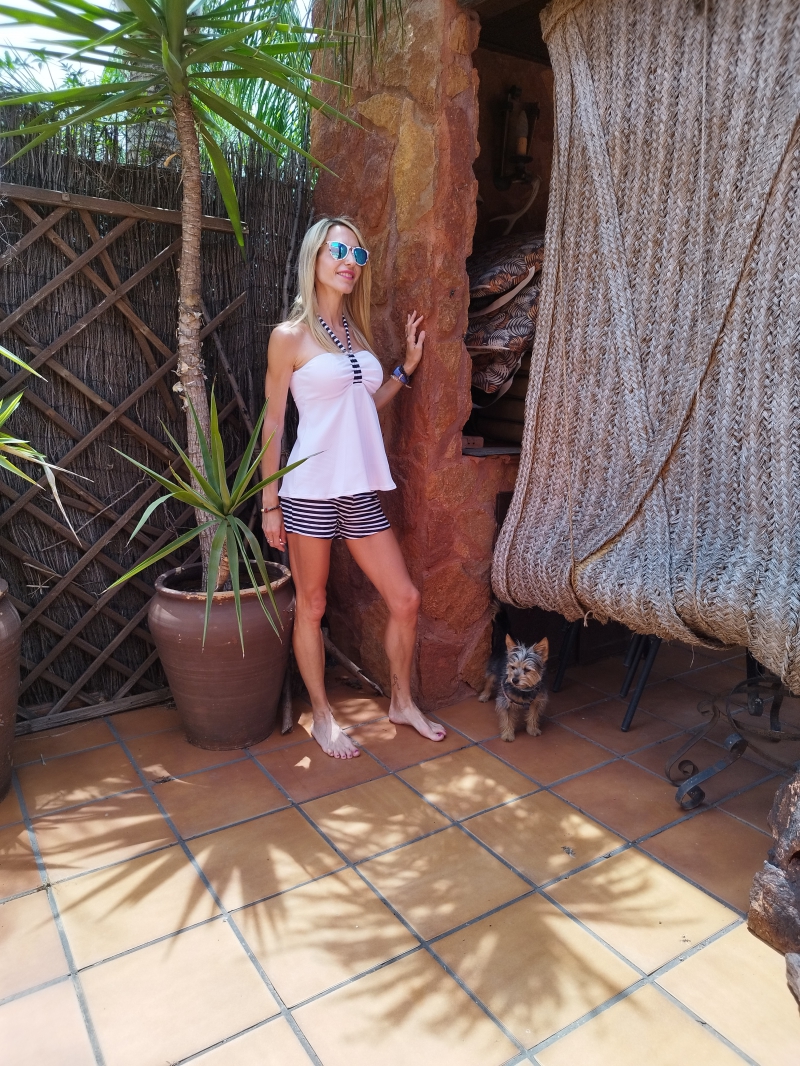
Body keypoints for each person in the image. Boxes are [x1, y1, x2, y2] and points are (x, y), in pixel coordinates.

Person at [261, 216, 447, 759]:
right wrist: (269, 504)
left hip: (358, 491)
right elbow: (274, 423)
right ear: (314, 257)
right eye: (338, 251)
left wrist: (405, 370)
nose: (349, 262)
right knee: (312, 605)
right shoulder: (289, 336)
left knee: (405, 599)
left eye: (358, 255)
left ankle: (402, 702)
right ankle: (322, 717)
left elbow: (362, 405)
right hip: (309, 492)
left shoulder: (355, 336)